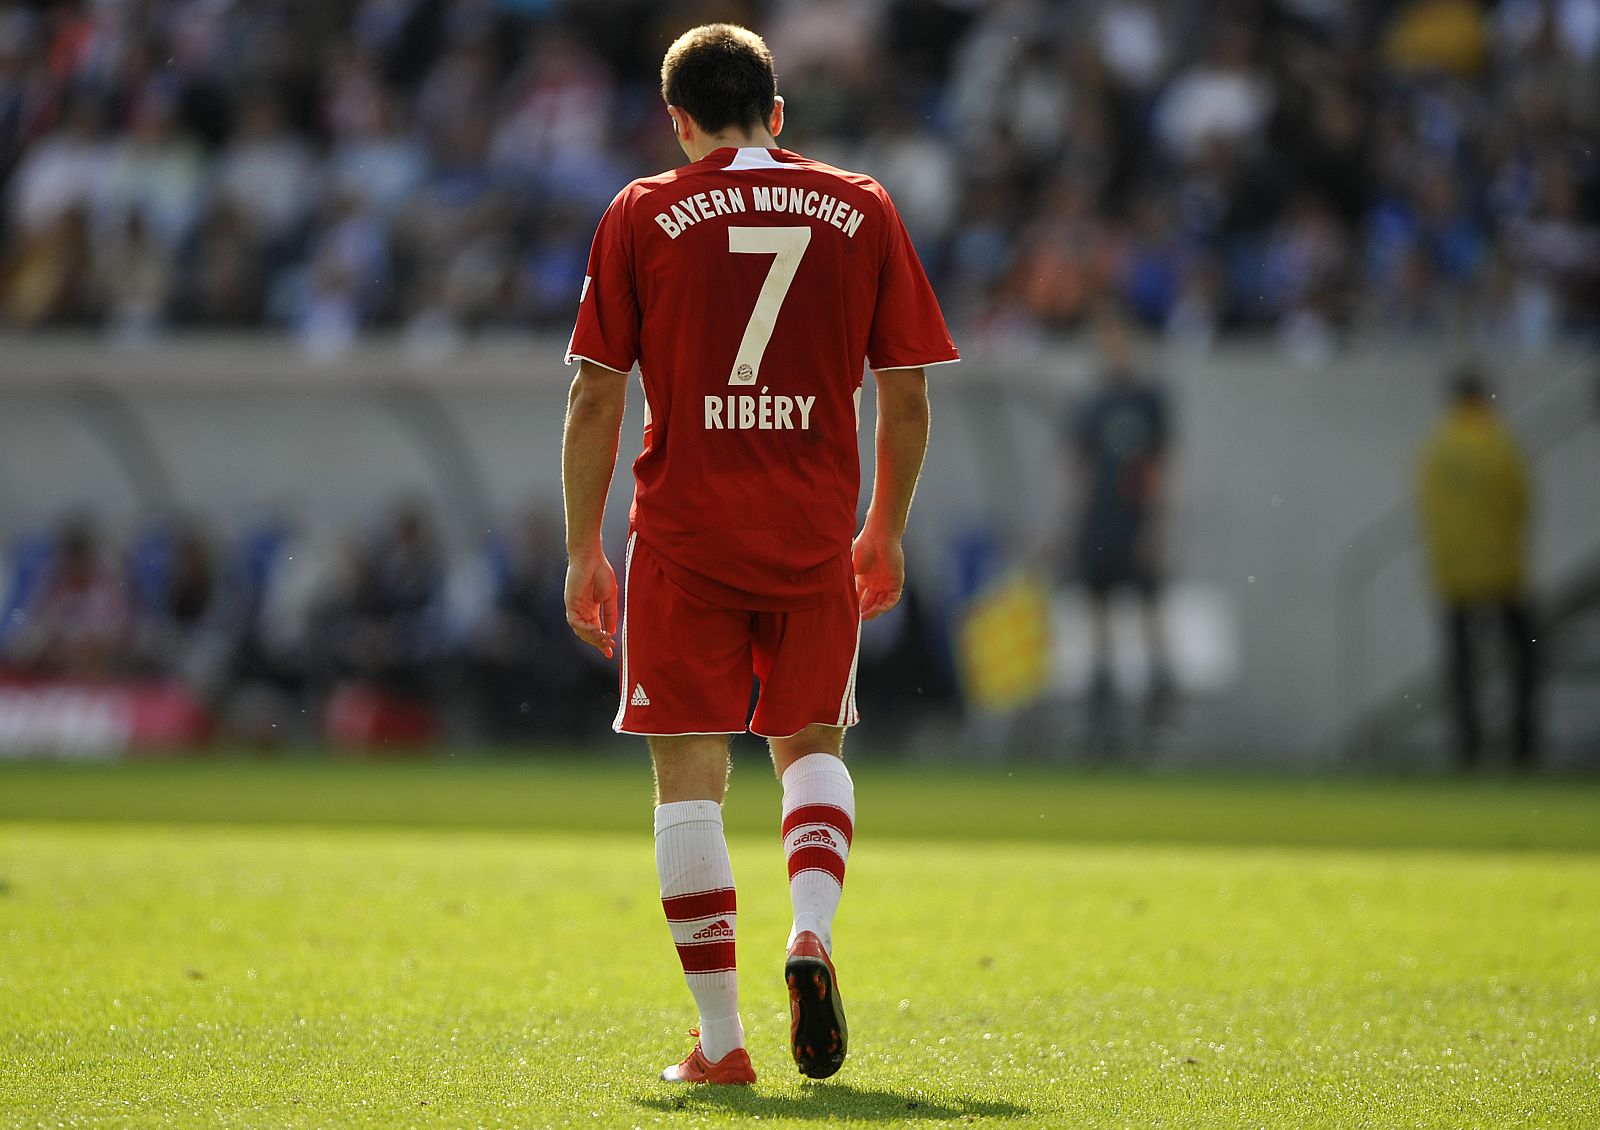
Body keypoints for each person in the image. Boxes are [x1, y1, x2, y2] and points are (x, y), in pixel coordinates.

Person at [561, 24, 956, 1086]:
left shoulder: (641, 212)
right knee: (812, 746)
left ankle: (723, 1040)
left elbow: (596, 393)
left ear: (678, 122)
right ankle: (810, 931)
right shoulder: (862, 206)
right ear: (777, 115)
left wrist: (582, 548)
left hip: (683, 536)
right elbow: (907, 393)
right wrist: (885, 526)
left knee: (687, 782)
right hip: (811, 530)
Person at [1417, 368, 1538, 769]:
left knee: (1461, 668)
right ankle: (1522, 747)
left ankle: (1467, 748)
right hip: (1502, 570)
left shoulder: (1437, 446)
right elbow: (1522, 500)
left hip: (1452, 573)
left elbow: (1426, 506)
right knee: (1522, 660)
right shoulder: (1498, 441)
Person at [1066, 308, 1173, 739]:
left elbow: (1164, 465)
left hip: (1137, 518)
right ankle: (1103, 719)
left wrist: (1159, 524)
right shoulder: (1093, 403)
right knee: (1099, 609)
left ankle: (1158, 712)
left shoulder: (1149, 401)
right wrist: (1071, 526)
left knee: (1149, 606)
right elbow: (1081, 471)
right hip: (1100, 520)